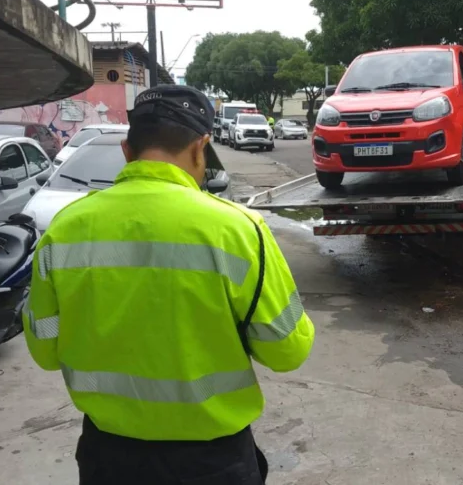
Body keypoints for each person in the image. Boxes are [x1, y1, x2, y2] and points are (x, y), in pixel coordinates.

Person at [24, 84, 315, 485]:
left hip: (108, 457)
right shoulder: (238, 230)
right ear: (201, 147)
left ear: (127, 150)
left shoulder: (65, 229)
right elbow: (288, 351)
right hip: (212, 462)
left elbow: (44, 349)